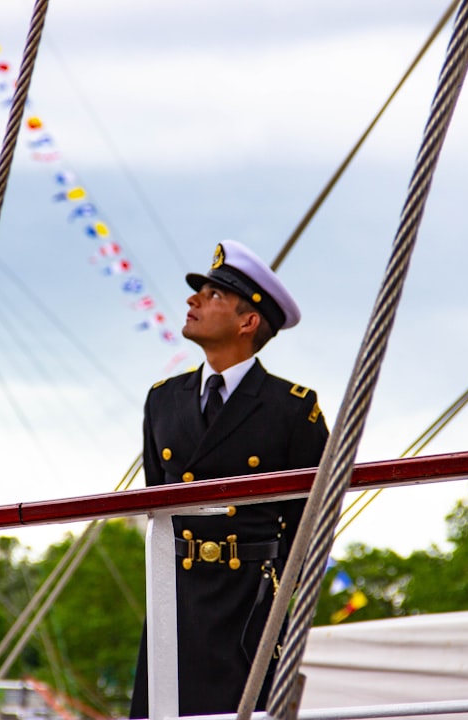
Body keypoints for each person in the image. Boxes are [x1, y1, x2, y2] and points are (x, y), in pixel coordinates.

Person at [129, 240, 329, 718]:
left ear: (248, 321)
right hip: (175, 603)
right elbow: (159, 507)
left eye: (213, 294)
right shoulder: (163, 401)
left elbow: (313, 527)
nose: (193, 300)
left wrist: (280, 604)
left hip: (250, 606)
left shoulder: (292, 409)